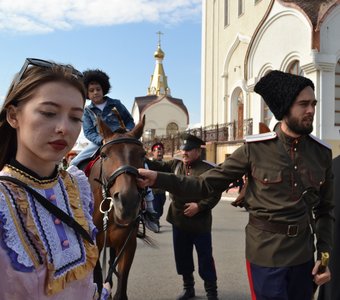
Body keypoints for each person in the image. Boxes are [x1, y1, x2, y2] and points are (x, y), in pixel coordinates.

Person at [139, 70, 334, 300]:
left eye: (313, 103)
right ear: (285, 108)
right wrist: (158, 178)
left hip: (304, 258)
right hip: (265, 256)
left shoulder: (321, 154)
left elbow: (325, 210)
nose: (311, 110)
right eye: (303, 104)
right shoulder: (255, 150)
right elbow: (204, 185)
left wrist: (324, 256)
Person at [0, 58, 110, 299]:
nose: (64, 128)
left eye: (75, 118)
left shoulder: (76, 187)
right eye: (49, 113)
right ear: (13, 116)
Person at [147, 134, 221, 300]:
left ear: (197, 151)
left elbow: (215, 193)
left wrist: (199, 206)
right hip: (178, 219)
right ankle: (189, 288)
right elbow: (158, 166)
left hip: (199, 222)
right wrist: (141, 157)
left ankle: (212, 292)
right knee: (182, 257)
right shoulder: (176, 164)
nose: (184, 153)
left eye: (187, 150)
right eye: (183, 149)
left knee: (205, 258)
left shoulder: (208, 169)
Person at [70, 69, 135, 167]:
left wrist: (128, 132)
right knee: (74, 163)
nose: (95, 92)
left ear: (103, 90)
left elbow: (129, 121)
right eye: (91, 90)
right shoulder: (87, 111)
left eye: (98, 89)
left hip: (121, 139)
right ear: (87, 94)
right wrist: (101, 140)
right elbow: (89, 132)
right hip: (99, 143)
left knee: (143, 162)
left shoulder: (116, 104)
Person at [150, 142, 167, 231]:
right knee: (156, 209)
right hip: (153, 192)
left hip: (162, 191)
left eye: (160, 151)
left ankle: (156, 219)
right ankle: (155, 222)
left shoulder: (165, 164)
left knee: (160, 209)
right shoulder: (150, 164)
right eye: (156, 151)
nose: (159, 152)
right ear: (153, 152)